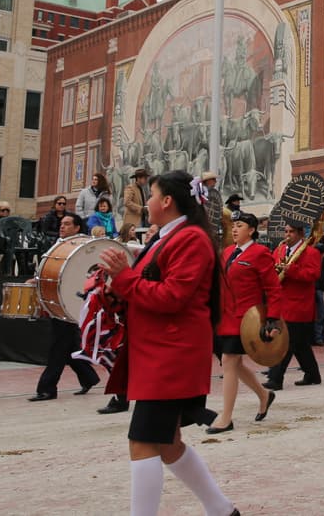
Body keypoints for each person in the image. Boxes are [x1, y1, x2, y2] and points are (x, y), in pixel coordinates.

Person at [95, 170, 237, 516]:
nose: (148, 202)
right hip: (162, 352)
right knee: (168, 444)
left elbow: (173, 296)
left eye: (153, 195)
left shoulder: (190, 239)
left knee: (142, 441)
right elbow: (146, 287)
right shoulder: (169, 237)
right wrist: (114, 289)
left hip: (172, 355)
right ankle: (222, 510)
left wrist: (124, 279)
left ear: (168, 201)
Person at [208, 210, 281, 432]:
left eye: (239, 225)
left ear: (252, 230)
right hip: (225, 318)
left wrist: (273, 320)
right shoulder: (228, 252)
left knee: (229, 361)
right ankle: (264, 395)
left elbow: (273, 288)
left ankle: (226, 417)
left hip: (246, 319)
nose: (235, 229)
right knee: (234, 364)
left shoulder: (260, 253)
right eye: (233, 226)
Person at [28, 214, 101, 401]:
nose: (62, 227)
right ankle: (88, 377)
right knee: (67, 347)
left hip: (70, 303)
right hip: (58, 301)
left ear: (77, 228)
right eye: (61, 224)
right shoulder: (58, 245)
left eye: (67, 224)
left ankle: (47, 388)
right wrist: (37, 280)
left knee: (58, 348)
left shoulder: (82, 248)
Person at [264, 221, 322, 390]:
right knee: (301, 345)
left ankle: (275, 378)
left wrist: (292, 270)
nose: (287, 235)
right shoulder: (280, 250)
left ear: (300, 234)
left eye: (291, 232)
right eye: (286, 231)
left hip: (299, 305)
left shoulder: (311, 252)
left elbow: (313, 274)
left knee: (285, 343)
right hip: (282, 303)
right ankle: (313, 374)